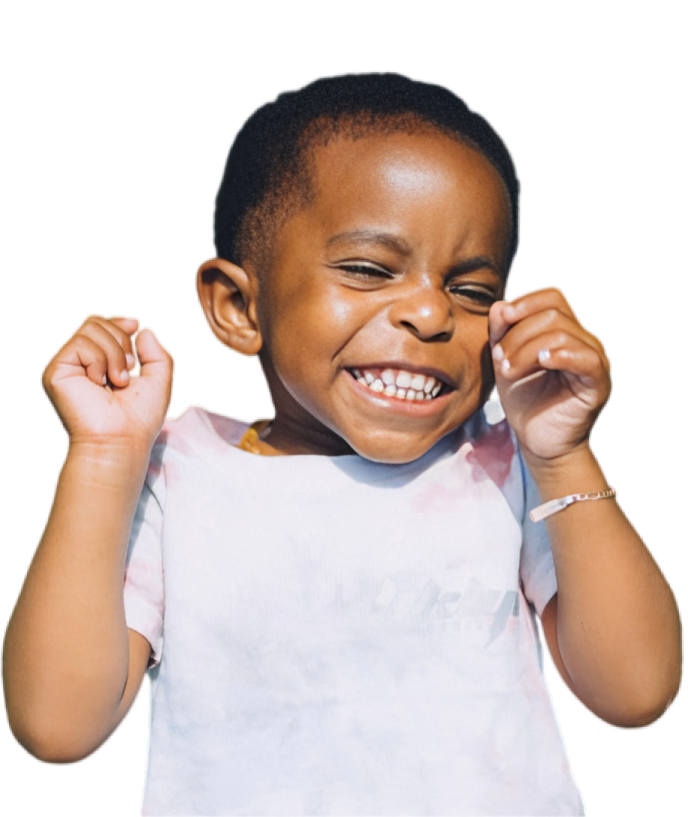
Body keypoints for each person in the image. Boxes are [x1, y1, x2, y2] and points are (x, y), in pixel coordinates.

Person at [2, 72, 682, 815]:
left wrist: (561, 454)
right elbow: (57, 727)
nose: (430, 313)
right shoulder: (178, 473)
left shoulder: (507, 461)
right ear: (237, 306)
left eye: (471, 290)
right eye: (368, 270)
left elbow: (636, 692)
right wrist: (103, 458)